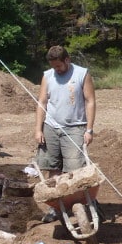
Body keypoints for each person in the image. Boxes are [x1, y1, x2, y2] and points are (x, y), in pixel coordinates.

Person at [34, 45, 96, 221]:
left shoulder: (82, 74)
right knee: (53, 167)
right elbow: (42, 102)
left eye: (59, 66)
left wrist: (89, 129)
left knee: (74, 170)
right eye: (54, 67)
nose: (57, 70)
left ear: (67, 60)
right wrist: (38, 129)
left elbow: (90, 101)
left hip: (75, 127)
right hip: (51, 127)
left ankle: (77, 205)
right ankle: (57, 207)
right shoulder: (48, 76)